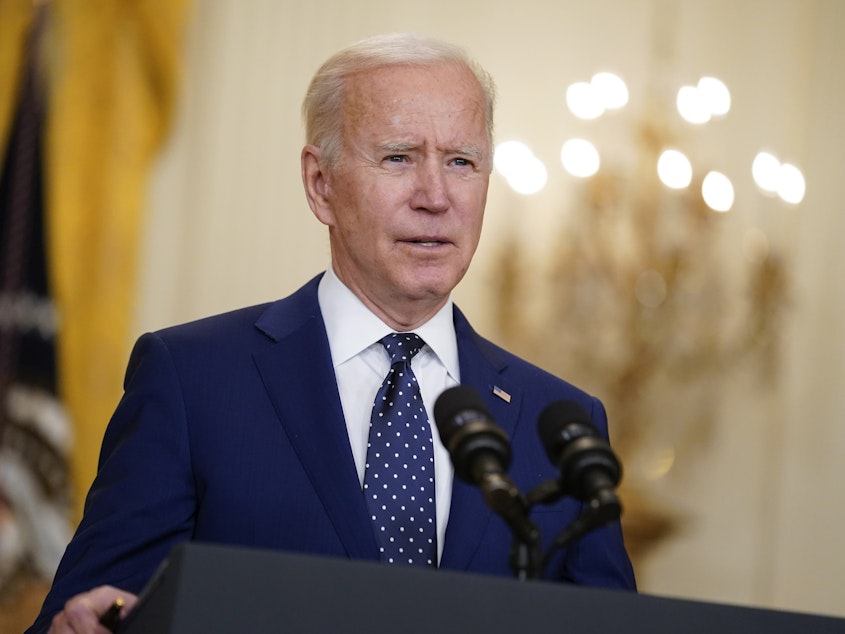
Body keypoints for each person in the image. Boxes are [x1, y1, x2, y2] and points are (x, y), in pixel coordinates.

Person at [29, 32, 636, 633]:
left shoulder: (560, 423)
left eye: (462, 161)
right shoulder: (193, 381)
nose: (436, 196)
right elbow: (85, 615)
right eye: (398, 157)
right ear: (321, 184)